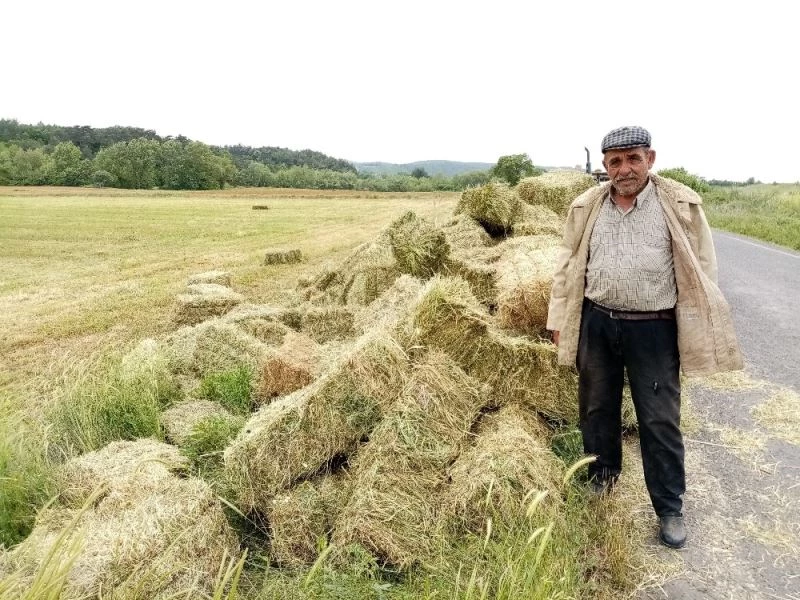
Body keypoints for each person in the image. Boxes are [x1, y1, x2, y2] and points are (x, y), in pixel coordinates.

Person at [547, 126, 743, 549]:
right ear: (605, 166)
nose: (625, 169)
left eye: (633, 158)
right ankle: (602, 477)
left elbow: (702, 268)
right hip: (597, 323)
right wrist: (560, 316)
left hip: (654, 327)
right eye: (615, 161)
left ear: (650, 159)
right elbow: (565, 265)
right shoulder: (587, 207)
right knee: (597, 409)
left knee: (658, 418)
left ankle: (669, 507)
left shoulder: (680, 204)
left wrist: (698, 319)